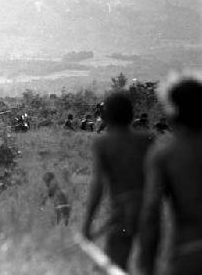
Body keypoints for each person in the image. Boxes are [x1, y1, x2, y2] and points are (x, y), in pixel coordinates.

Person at [81, 91, 154, 272]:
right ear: (131, 115)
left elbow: (98, 185)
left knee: (116, 265)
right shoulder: (147, 139)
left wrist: (87, 223)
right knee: (148, 267)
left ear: (106, 116)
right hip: (149, 209)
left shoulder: (102, 143)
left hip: (121, 211)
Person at [138, 77, 202, 275]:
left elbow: (150, 213)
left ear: (173, 111)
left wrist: (147, 266)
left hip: (190, 252)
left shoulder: (165, 153)